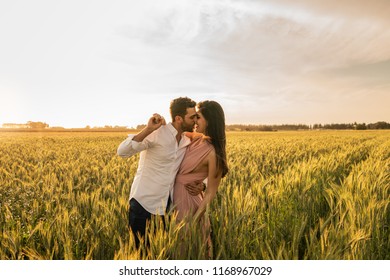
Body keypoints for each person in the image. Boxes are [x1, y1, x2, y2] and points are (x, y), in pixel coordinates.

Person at [117, 97, 202, 248]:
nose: (195, 120)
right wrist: (148, 129)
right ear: (178, 118)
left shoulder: (185, 141)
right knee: (140, 256)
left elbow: (197, 167)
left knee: (158, 255)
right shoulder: (157, 133)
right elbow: (122, 152)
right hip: (143, 204)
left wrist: (203, 185)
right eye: (192, 117)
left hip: (165, 208)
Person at [172, 100, 229, 256]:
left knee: (188, 251)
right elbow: (181, 132)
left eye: (198, 117)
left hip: (190, 206)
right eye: (194, 117)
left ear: (209, 120)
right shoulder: (197, 139)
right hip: (175, 201)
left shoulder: (214, 153)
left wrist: (195, 219)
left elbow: (211, 192)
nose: (195, 121)